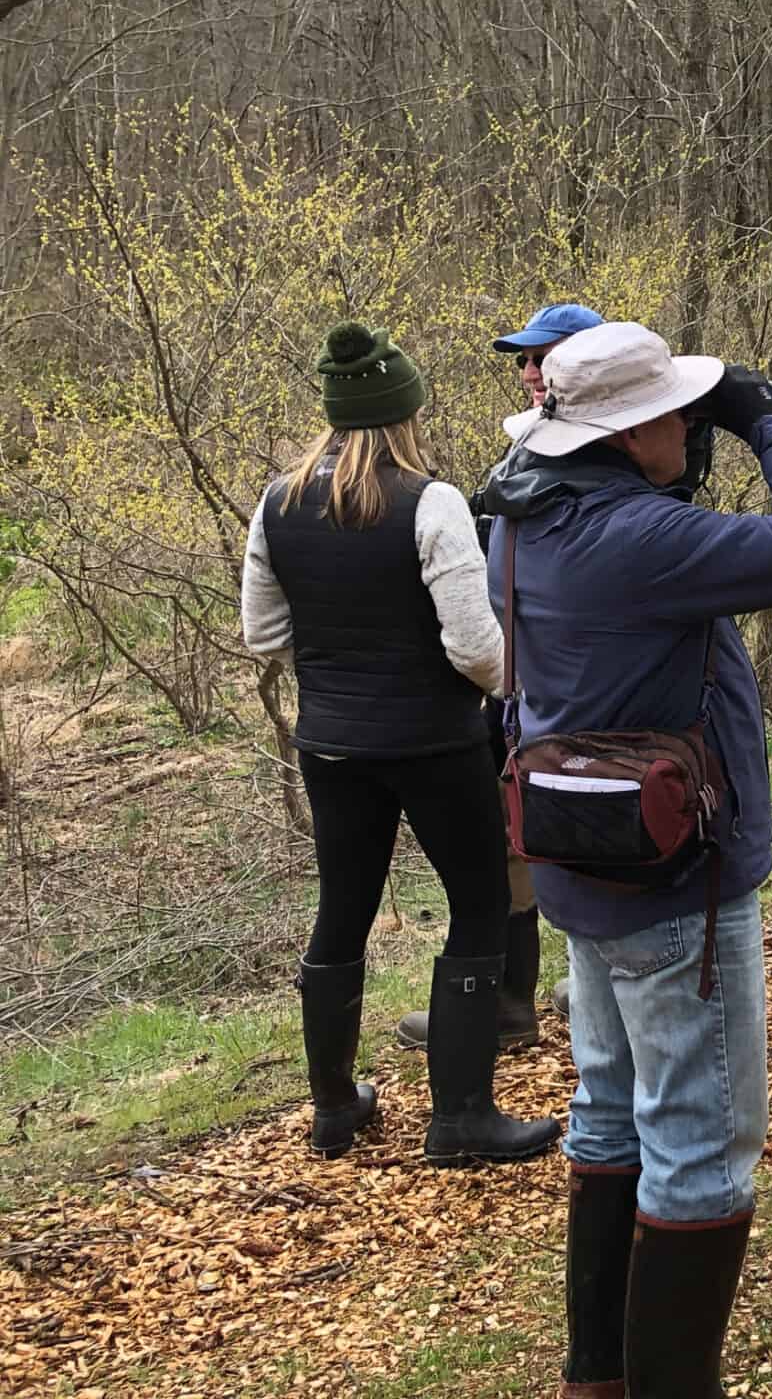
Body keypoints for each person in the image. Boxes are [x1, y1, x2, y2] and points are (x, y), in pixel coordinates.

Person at [484, 322, 772, 1399]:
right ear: (628, 427)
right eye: (680, 412)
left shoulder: (515, 516)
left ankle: (594, 1374)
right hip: (670, 888)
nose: (693, 426)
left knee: (608, 1107)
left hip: (579, 864)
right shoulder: (638, 540)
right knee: (701, 1139)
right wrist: (767, 419)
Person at [239, 322, 563, 1167]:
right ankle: (461, 1118)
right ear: (405, 414)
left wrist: (339, 666)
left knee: (341, 910)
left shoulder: (277, 500)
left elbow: (260, 631)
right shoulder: (433, 501)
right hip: (433, 741)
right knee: (481, 903)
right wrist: (515, 691)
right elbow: (475, 647)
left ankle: (336, 1110)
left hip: (332, 744)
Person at [392, 299, 608, 1056]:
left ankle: (597, 990)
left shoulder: (618, 451)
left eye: (540, 358)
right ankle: (517, 1003)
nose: (526, 373)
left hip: (582, 682)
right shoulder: (525, 450)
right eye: (523, 359)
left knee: (599, 823)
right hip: (516, 680)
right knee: (515, 837)